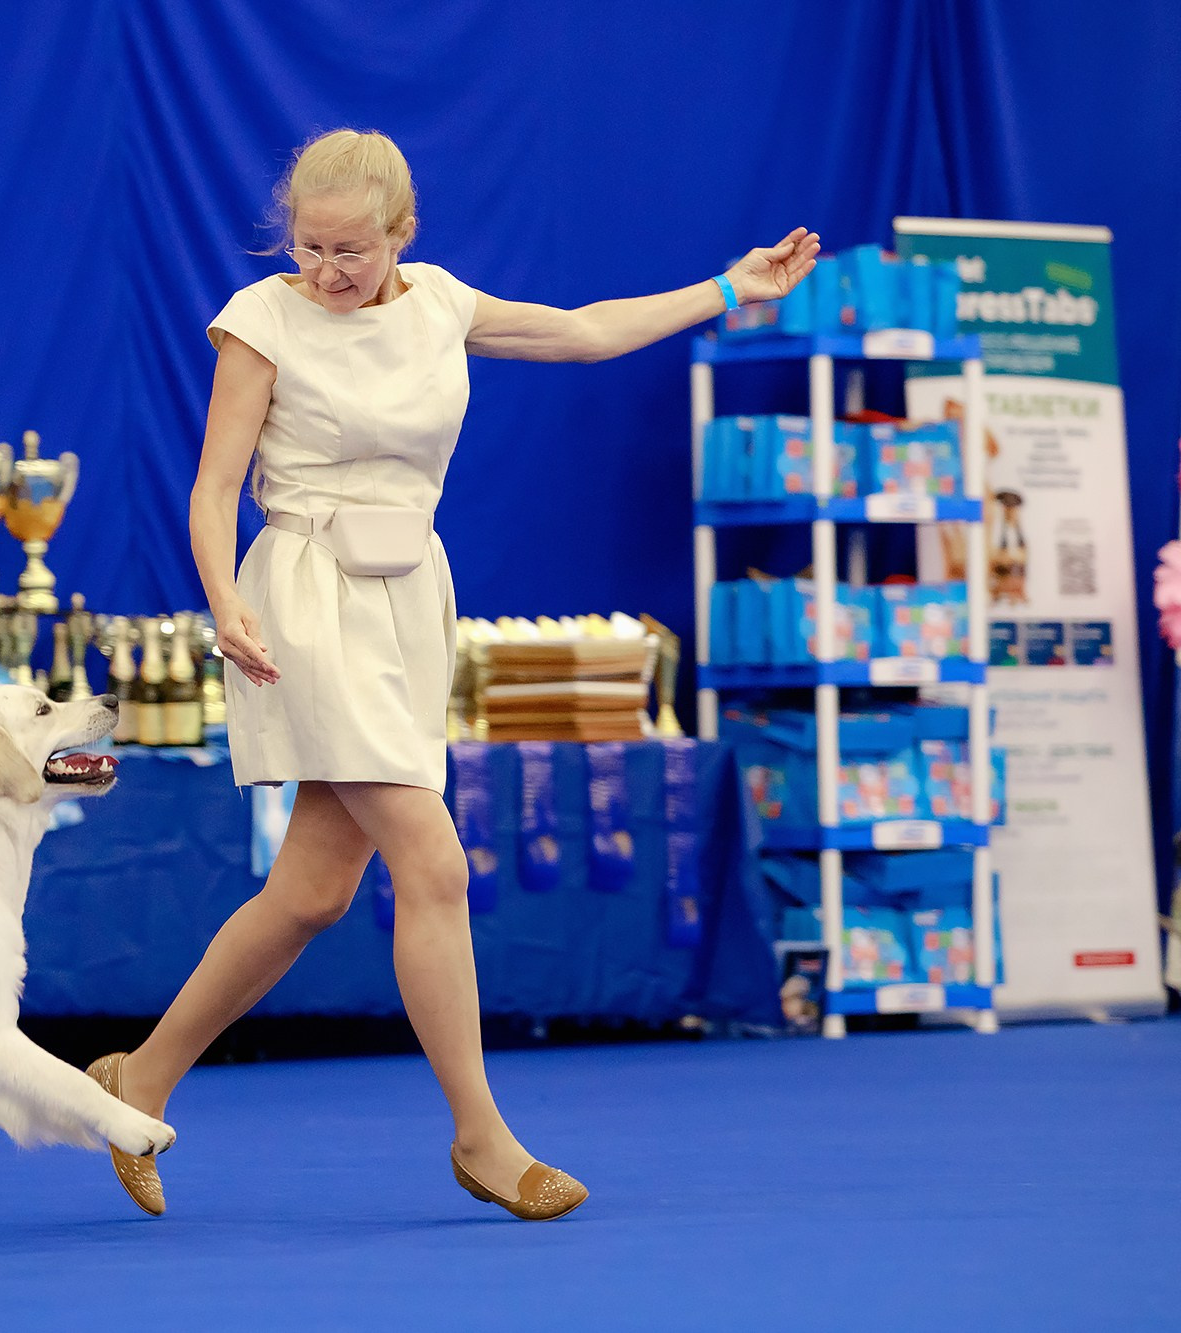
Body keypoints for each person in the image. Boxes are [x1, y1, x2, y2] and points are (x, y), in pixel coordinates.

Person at [87, 128, 819, 1222]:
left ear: (403, 234)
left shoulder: (440, 302)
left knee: (309, 894)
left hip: (408, 600)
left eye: (350, 249)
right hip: (305, 601)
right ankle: (481, 1137)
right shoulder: (260, 320)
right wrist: (224, 601)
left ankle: (138, 1078)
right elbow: (212, 487)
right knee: (432, 862)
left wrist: (728, 288)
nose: (325, 270)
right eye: (307, 246)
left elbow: (584, 332)